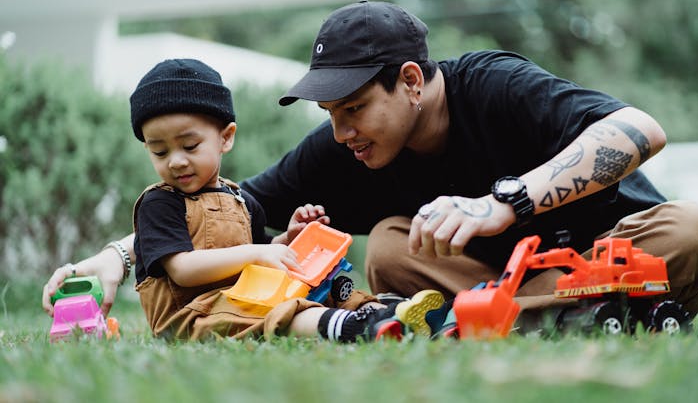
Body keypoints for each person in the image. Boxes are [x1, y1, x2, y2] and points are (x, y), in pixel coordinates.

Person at [44, 1, 698, 332]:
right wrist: (113, 256)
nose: (340, 131)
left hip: (605, 260)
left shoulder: (493, 84)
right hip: (489, 281)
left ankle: (517, 319)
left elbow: (641, 127)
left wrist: (504, 203)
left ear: (408, 80)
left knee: (689, 229)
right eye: (328, 114)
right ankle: (548, 323)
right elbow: (234, 206)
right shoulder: (347, 145)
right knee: (393, 246)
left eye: (351, 109)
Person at [50, 57, 443, 342]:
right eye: (159, 151)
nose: (176, 160)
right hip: (194, 315)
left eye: (189, 144)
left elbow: (255, 253)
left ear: (226, 137)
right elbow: (184, 269)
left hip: (244, 295)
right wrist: (257, 256)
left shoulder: (242, 200)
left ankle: (381, 309)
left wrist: (284, 243)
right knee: (274, 313)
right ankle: (347, 327)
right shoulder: (160, 204)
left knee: (322, 280)